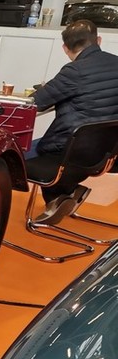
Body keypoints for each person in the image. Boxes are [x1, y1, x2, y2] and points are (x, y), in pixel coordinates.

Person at [28, 18, 118, 223]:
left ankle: (59, 197)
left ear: (65, 48)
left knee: (13, 154)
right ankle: (65, 195)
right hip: (108, 152)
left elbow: (36, 103)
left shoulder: (74, 71)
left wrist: (45, 89)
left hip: (72, 152)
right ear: (98, 40)